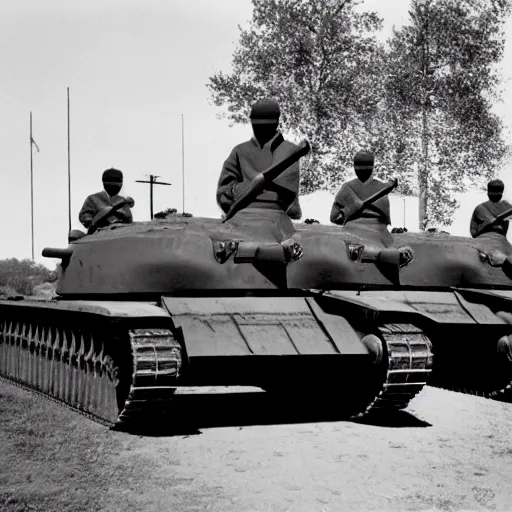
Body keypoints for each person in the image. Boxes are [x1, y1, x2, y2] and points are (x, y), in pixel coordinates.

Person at [216, 98, 302, 231]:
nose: (261, 129)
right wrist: (237, 191)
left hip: (277, 221)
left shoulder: (290, 152)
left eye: (267, 124)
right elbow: (223, 193)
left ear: (276, 122)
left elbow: (288, 195)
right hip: (241, 219)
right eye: (257, 124)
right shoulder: (240, 151)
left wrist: (247, 189)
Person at [330, 150, 392, 246]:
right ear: (372, 167)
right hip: (379, 237)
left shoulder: (346, 187)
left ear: (355, 167)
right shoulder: (383, 188)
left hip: (350, 235)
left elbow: (334, 217)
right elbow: (385, 220)